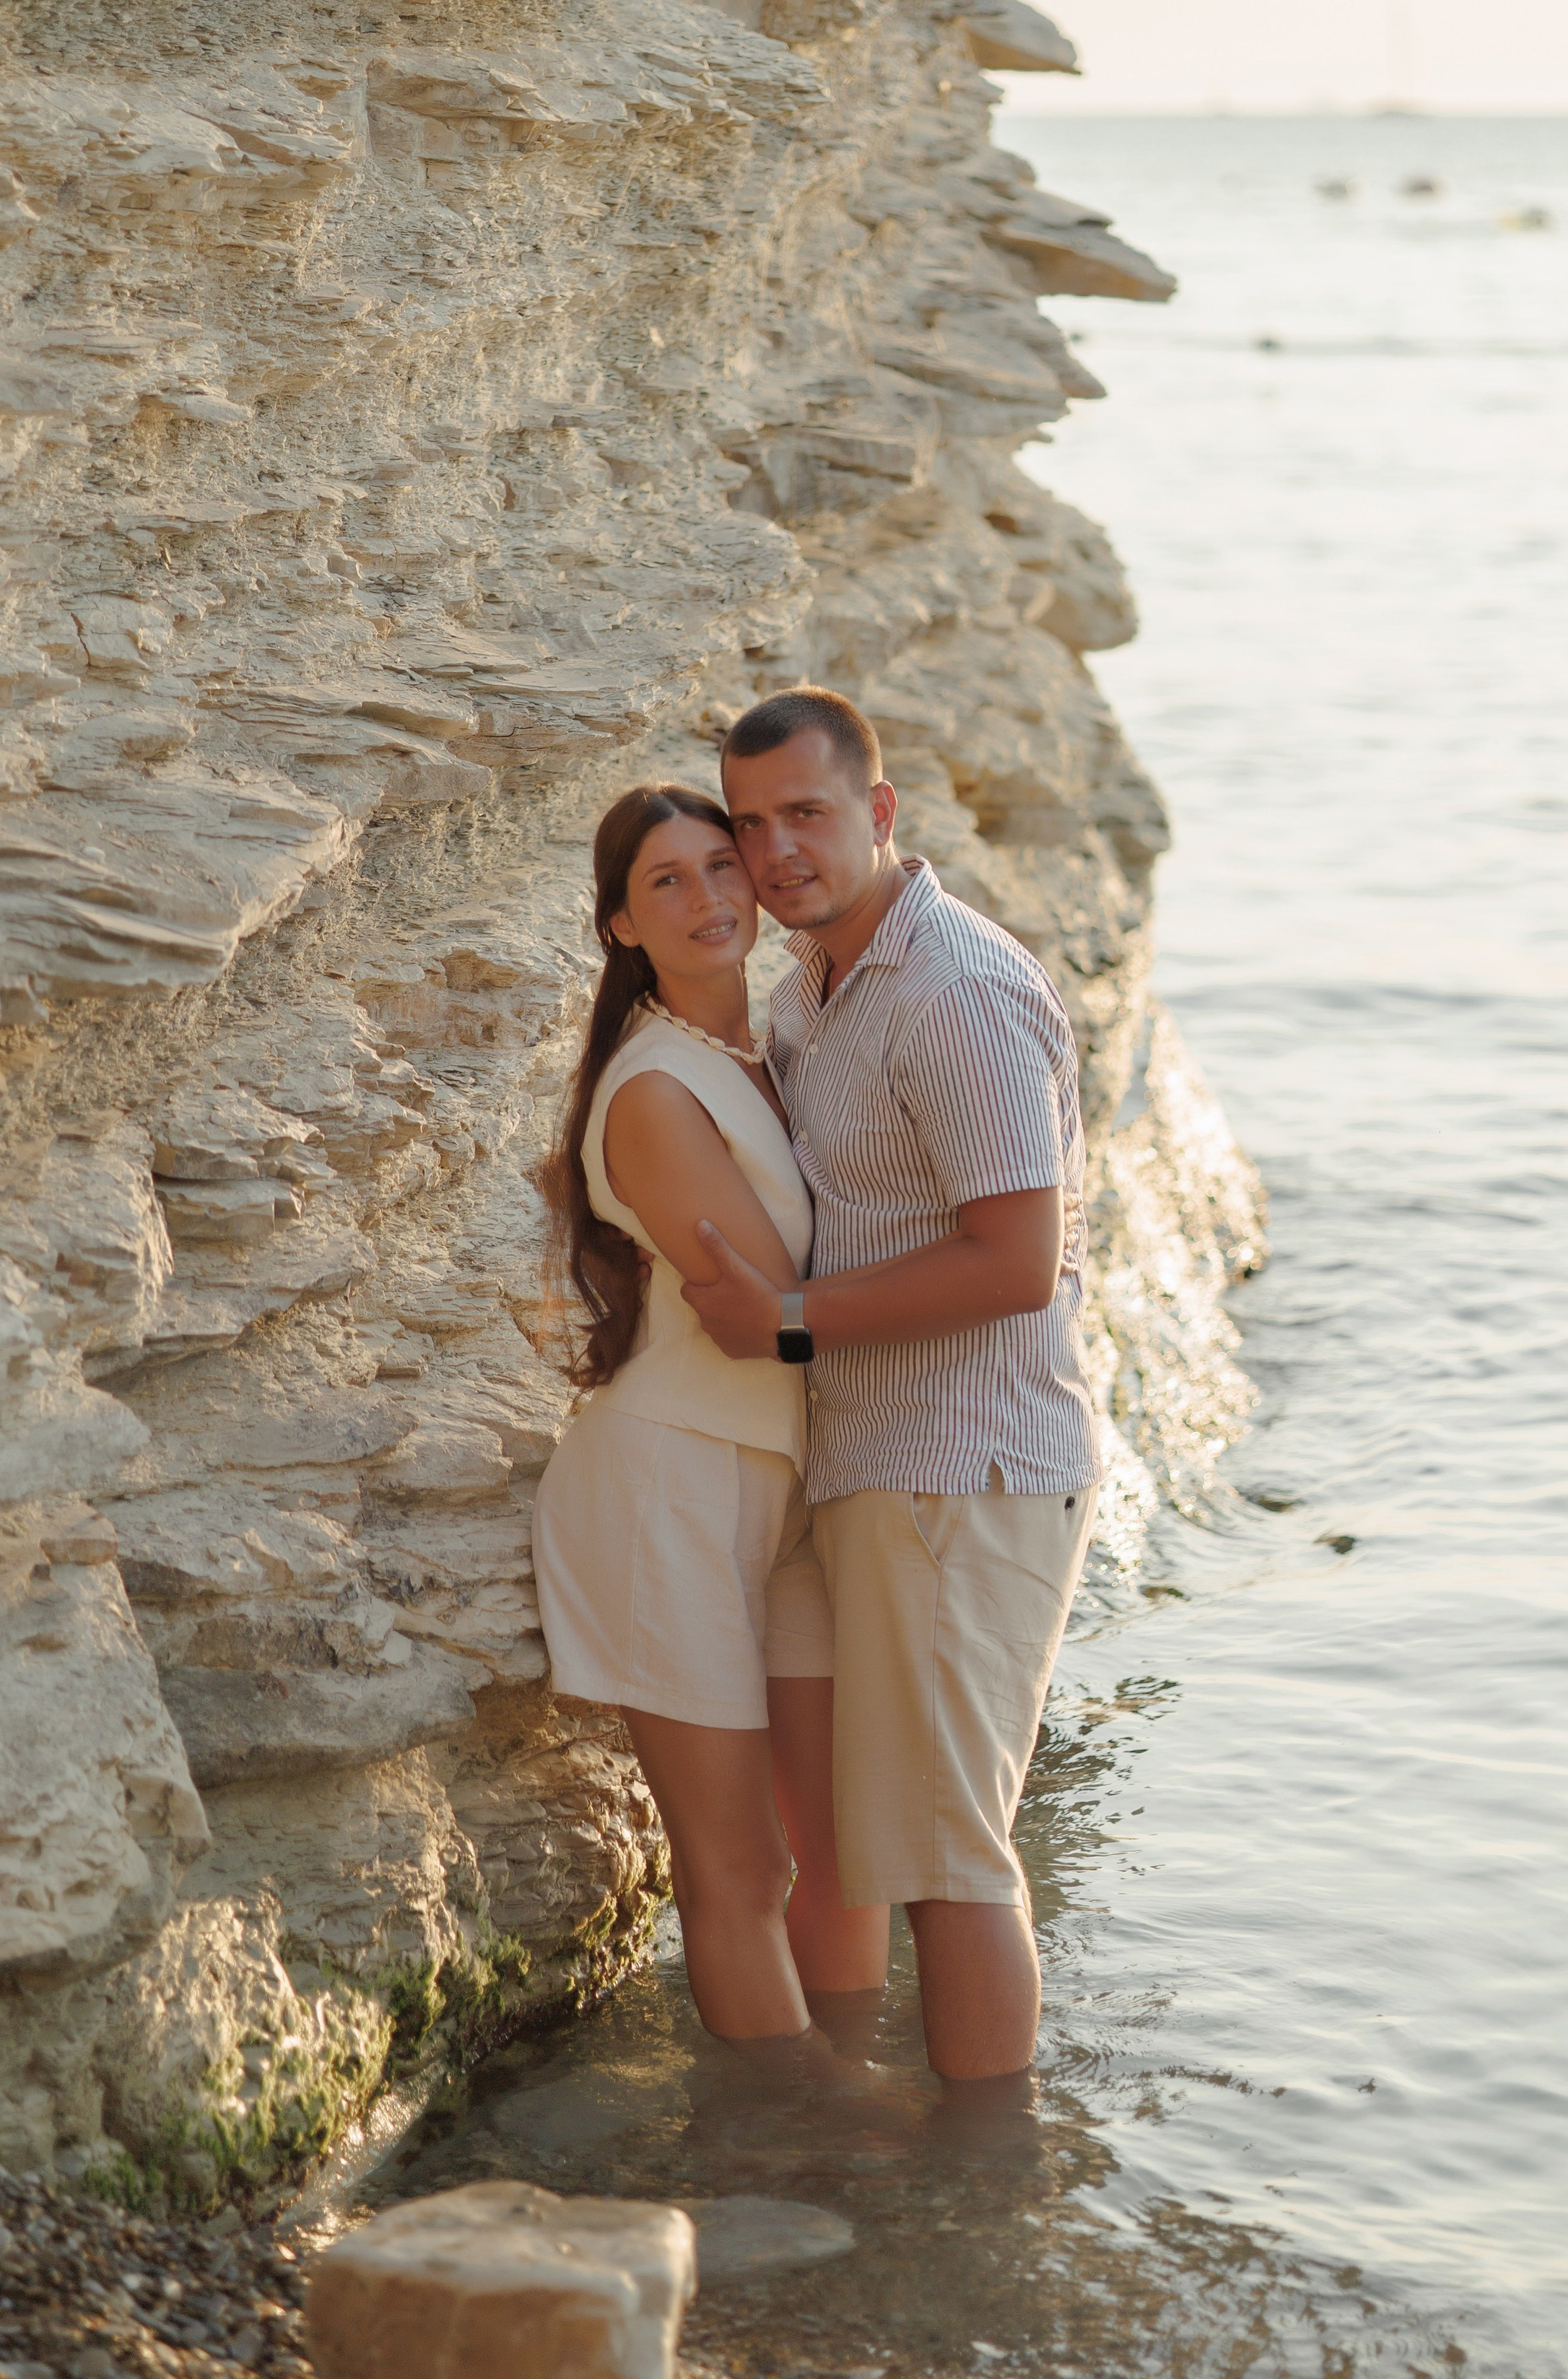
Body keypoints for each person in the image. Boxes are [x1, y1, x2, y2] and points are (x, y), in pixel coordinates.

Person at [684, 687, 1101, 2098]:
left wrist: (787, 1323)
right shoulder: (812, 990)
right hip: (861, 1466)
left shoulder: (955, 992)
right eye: (748, 825)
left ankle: (982, 2205)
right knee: (874, 1843)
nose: (775, 851)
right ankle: (853, 2145)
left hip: (958, 1467)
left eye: (804, 814)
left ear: (877, 813)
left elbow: (1016, 1262)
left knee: (947, 1861)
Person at [531, 780, 889, 2058]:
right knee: (738, 1871)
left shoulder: (779, 1047)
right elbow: (764, 1300)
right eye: (664, 884)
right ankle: (793, 2153)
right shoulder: (654, 1092)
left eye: (717, 868)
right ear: (620, 928)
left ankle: (854, 2116)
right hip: (669, 1487)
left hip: (788, 1480)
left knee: (843, 1849)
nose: (705, 899)